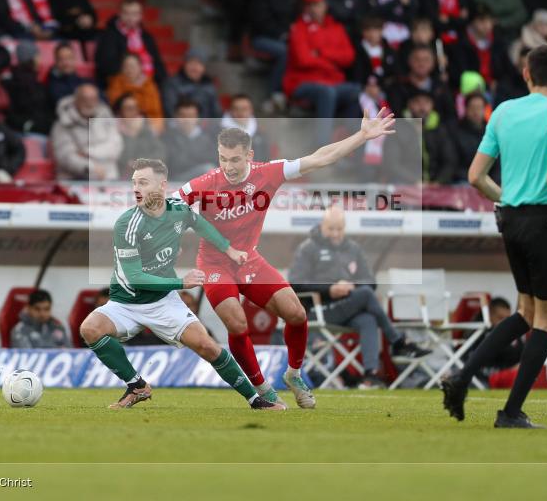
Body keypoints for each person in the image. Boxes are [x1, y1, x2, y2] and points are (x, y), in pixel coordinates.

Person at [175, 110, 395, 408]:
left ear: (249, 155)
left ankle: (293, 374)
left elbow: (321, 157)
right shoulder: (204, 184)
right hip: (215, 265)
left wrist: (361, 136)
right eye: (223, 159)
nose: (228, 166)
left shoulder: (268, 172)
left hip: (249, 261)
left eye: (235, 159)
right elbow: (163, 206)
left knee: (296, 314)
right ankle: (264, 389)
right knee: (237, 324)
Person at [442, 44, 547, 429]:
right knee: (546, 320)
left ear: (526, 74)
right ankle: (510, 412)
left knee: (525, 312)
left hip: (510, 221)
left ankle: (461, 377)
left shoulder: (504, 111)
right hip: (546, 221)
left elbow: (476, 175)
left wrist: (505, 198)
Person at [78, 158, 283, 410]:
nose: (136, 188)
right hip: (126, 302)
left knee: (207, 346)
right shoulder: (127, 224)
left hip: (163, 302)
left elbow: (202, 225)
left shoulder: (179, 210)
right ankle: (136, 385)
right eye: (134, 183)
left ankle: (256, 400)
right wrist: (180, 282)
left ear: (162, 185)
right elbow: (134, 277)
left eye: (143, 182)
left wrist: (228, 249)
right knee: (90, 329)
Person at [288, 206, 429, 388]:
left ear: (344, 228)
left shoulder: (353, 249)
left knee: (368, 318)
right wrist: (329, 289)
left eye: (339, 229)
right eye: (331, 228)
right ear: (322, 226)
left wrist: (351, 286)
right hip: (318, 310)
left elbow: (370, 281)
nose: (336, 234)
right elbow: (295, 283)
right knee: (365, 295)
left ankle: (370, 375)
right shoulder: (308, 248)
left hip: (348, 308)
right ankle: (397, 341)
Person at [282, 0, 358, 146]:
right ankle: (323, 146)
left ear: (325, 5)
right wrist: (331, 64)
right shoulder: (299, 28)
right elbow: (304, 60)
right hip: (301, 83)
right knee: (327, 92)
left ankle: (349, 146)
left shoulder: (336, 28)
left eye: (317, 4)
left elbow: (349, 57)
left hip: (332, 81)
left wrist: (321, 53)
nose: (313, 9)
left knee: (357, 91)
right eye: (309, 5)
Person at [50, 83, 122, 181]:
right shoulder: (62, 124)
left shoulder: (107, 119)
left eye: (93, 99)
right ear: (76, 100)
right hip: (74, 180)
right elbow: (65, 156)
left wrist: (86, 152)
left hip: (108, 178)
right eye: (85, 99)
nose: (89, 103)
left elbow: (115, 147)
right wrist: (91, 167)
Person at [382, 90, 456, 184]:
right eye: (417, 102)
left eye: (426, 102)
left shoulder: (440, 130)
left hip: (435, 185)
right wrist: (415, 181)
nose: (422, 107)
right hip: (406, 183)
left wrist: (438, 182)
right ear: (409, 105)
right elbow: (391, 164)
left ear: (432, 105)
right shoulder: (397, 129)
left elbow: (450, 161)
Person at [249, 0, 297, 96]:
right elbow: (260, 21)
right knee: (285, 51)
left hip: (285, 37)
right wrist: (282, 34)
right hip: (262, 37)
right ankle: (275, 92)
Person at [94, 0, 166, 88]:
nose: (130, 18)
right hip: (122, 83)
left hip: (148, 83)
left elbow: (157, 63)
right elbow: (106, 66)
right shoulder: (109, 36)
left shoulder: (147, 36)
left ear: (141, 15)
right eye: (126, 13)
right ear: (119, 14)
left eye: (134, 14)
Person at [463, 297, 524, 382]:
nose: (504, 322)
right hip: (485, 378)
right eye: (500, 318)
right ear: (490, 315)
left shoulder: (513, 334)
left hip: (508, 376)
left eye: (507, 319)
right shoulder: (480, 335)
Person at [161, 98, 216, 183]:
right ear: (175, 117)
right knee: (208, 169)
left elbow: (214, 159)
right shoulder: (167, 137)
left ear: (197, 118)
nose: (187, 120)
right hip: (176, 181)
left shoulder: (209, 138)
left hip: (202, 181)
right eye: (182, 115)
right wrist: (197, 158)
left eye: (191, 116)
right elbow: (173, 164)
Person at [106, 53, 163, 134]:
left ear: (140, 67)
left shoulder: (150, 86)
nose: (129, 70)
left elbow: (155, 112)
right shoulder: (116, 84)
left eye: (133, 66)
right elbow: (116, 108)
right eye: (126, 66)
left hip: (147, 123)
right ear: (121, 69)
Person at [4, 41, 51, 135]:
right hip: (27, 131)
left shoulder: (33, 80)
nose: (40, 60)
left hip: (36, 128)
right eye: (38, 56)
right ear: (31, 59)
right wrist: (29, 125)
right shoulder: (18, 83)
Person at [115, 93, 166, 178]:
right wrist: (132, 135)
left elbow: (160, 153)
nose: (132, 112)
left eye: (135, 108)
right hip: (122, 176)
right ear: (120, 111)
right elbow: (119, 157)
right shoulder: (115, 129)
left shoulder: (147, 129)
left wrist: (143, 163)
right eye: (128, 108)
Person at [161, 48, 221, 119]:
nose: (194, 67)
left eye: (199, 63)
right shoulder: (172, 84)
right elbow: (170, 111)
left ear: (204, 67)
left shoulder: (209, 86)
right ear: (184, 65)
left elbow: (216, 113)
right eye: (191, 62)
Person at [452, 92, 492, 183]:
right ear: (466, 109)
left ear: (484, 110)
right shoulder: (455, 132)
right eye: (472, 108)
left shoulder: (491, 132)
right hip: (463, 181)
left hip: (488, 181)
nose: (475, 112)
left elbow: (497, 164)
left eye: (479, 108)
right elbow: (453, 163)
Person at [350, 16, 398, 89]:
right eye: (368, 30)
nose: (372, 34)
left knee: (386, 99)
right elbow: (356, 75)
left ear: (381, 31)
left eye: (375, 30)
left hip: (384, 91)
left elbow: (394, 74)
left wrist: (382, 86)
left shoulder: (389, 50)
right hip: (362, 89)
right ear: (362, 32)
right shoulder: (356, 49)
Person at [220, 93, 269, 162]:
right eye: (236, 109)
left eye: (244, 109)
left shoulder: (260, 132)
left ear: (251, 110)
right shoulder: (218, 131)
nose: (240, 113)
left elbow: (264, 159)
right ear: (230, 110)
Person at [45, 42, 86, 118]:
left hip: (89, 123)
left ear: (74, 59)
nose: (66, 63)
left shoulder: (83, 81)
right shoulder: (52, 84)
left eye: (69, 58)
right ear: (56, 62)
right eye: (61, 59)